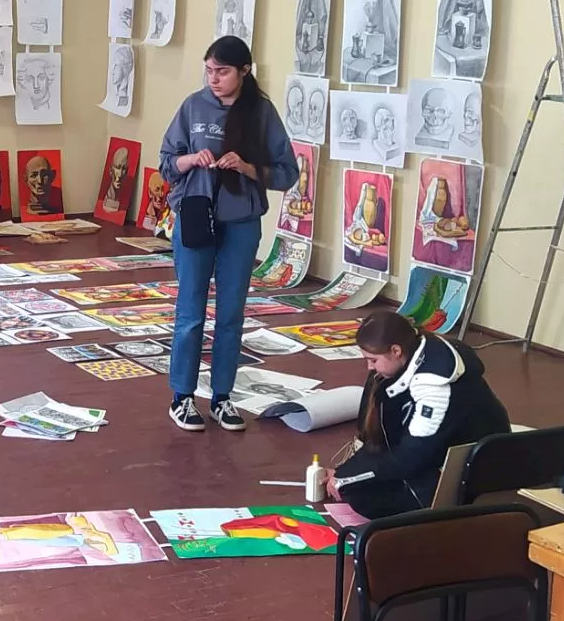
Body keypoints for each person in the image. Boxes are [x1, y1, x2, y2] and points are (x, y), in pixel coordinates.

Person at [159, 36, 298, 433]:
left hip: (241, 221)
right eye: (209, 70)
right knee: (190, 311)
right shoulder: (193, 106)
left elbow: (287, 173)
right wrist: (191, 159)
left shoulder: (262, 113)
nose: (214, 79)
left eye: (222, 71)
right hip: (196, 215)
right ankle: (182, 397)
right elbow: (167, 162)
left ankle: (222, 397)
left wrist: (247, 167)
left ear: (244, 71)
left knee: (231, 314)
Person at [329, 312, 511, 517]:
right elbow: (387, 438)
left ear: (396, 350)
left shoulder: (436, 387)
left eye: (373, 360)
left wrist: (347, 477)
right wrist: (346, 471)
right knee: (358, 482)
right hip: (440, 450)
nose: (369, 367)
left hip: (473, 468)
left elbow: (412, 456)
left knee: (361, 495)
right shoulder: (415, 351)